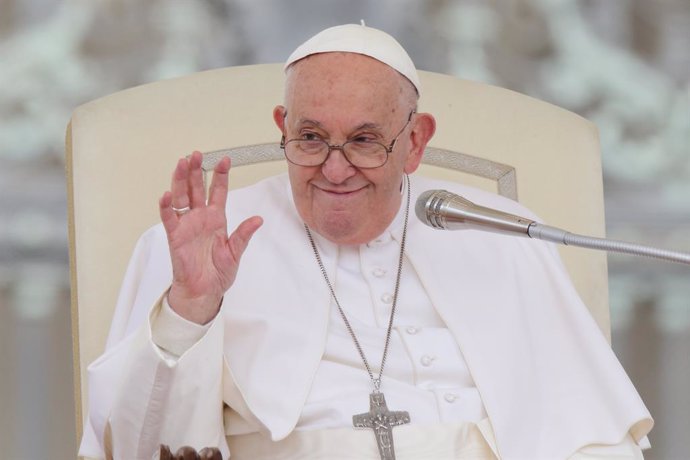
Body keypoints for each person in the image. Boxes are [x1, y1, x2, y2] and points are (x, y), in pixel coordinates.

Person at [79, 24, 652, 460]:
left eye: (364, 141)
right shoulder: (203, 246)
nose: (334, 169)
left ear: (417, 141)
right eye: (309, 138)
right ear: (282, 126)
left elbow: (593, 438)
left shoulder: (500, 231)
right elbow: (133, 445)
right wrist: (191, 309)